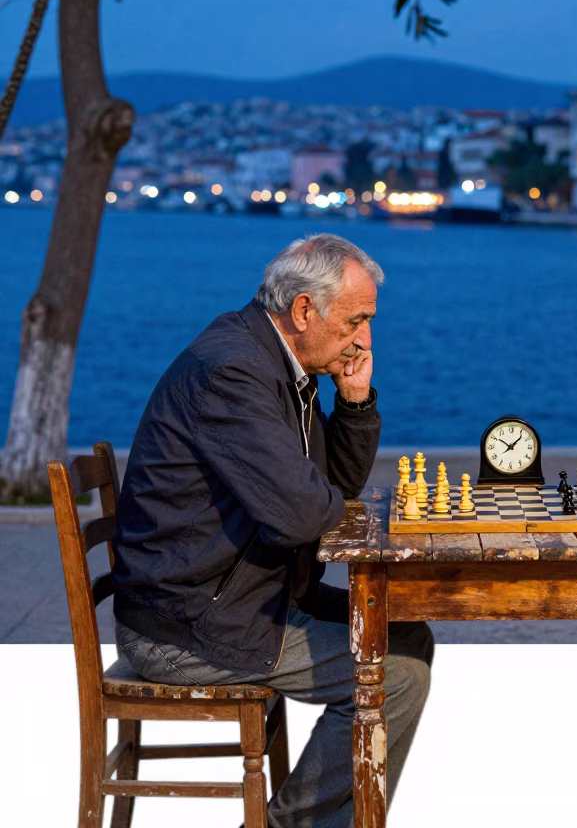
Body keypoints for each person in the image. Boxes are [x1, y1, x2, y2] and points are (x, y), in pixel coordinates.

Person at [111, 233, 433, 828]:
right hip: (188, 628)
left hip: (240, 603)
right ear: (305, 310)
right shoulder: (232, 371)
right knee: (397, 674)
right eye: (356, 320)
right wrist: (317, 496)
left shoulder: (278, 363)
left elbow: (334, 487)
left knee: (406, 634)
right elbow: (302, 515)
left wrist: (356, 403)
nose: (363, 338)